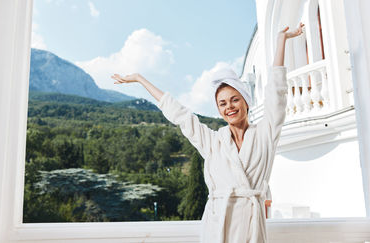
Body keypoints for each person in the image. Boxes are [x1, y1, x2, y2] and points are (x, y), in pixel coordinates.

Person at [111, 23, 305, 243]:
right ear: (219, 109)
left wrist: (281, 40)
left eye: (234, 100)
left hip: (251, 228)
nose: (229, 107)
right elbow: (181, 115)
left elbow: (276, 95)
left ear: (246, 102)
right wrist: (140, 79)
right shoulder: (213, 142)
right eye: (222, 103)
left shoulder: (265, 134)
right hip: (216, 227)